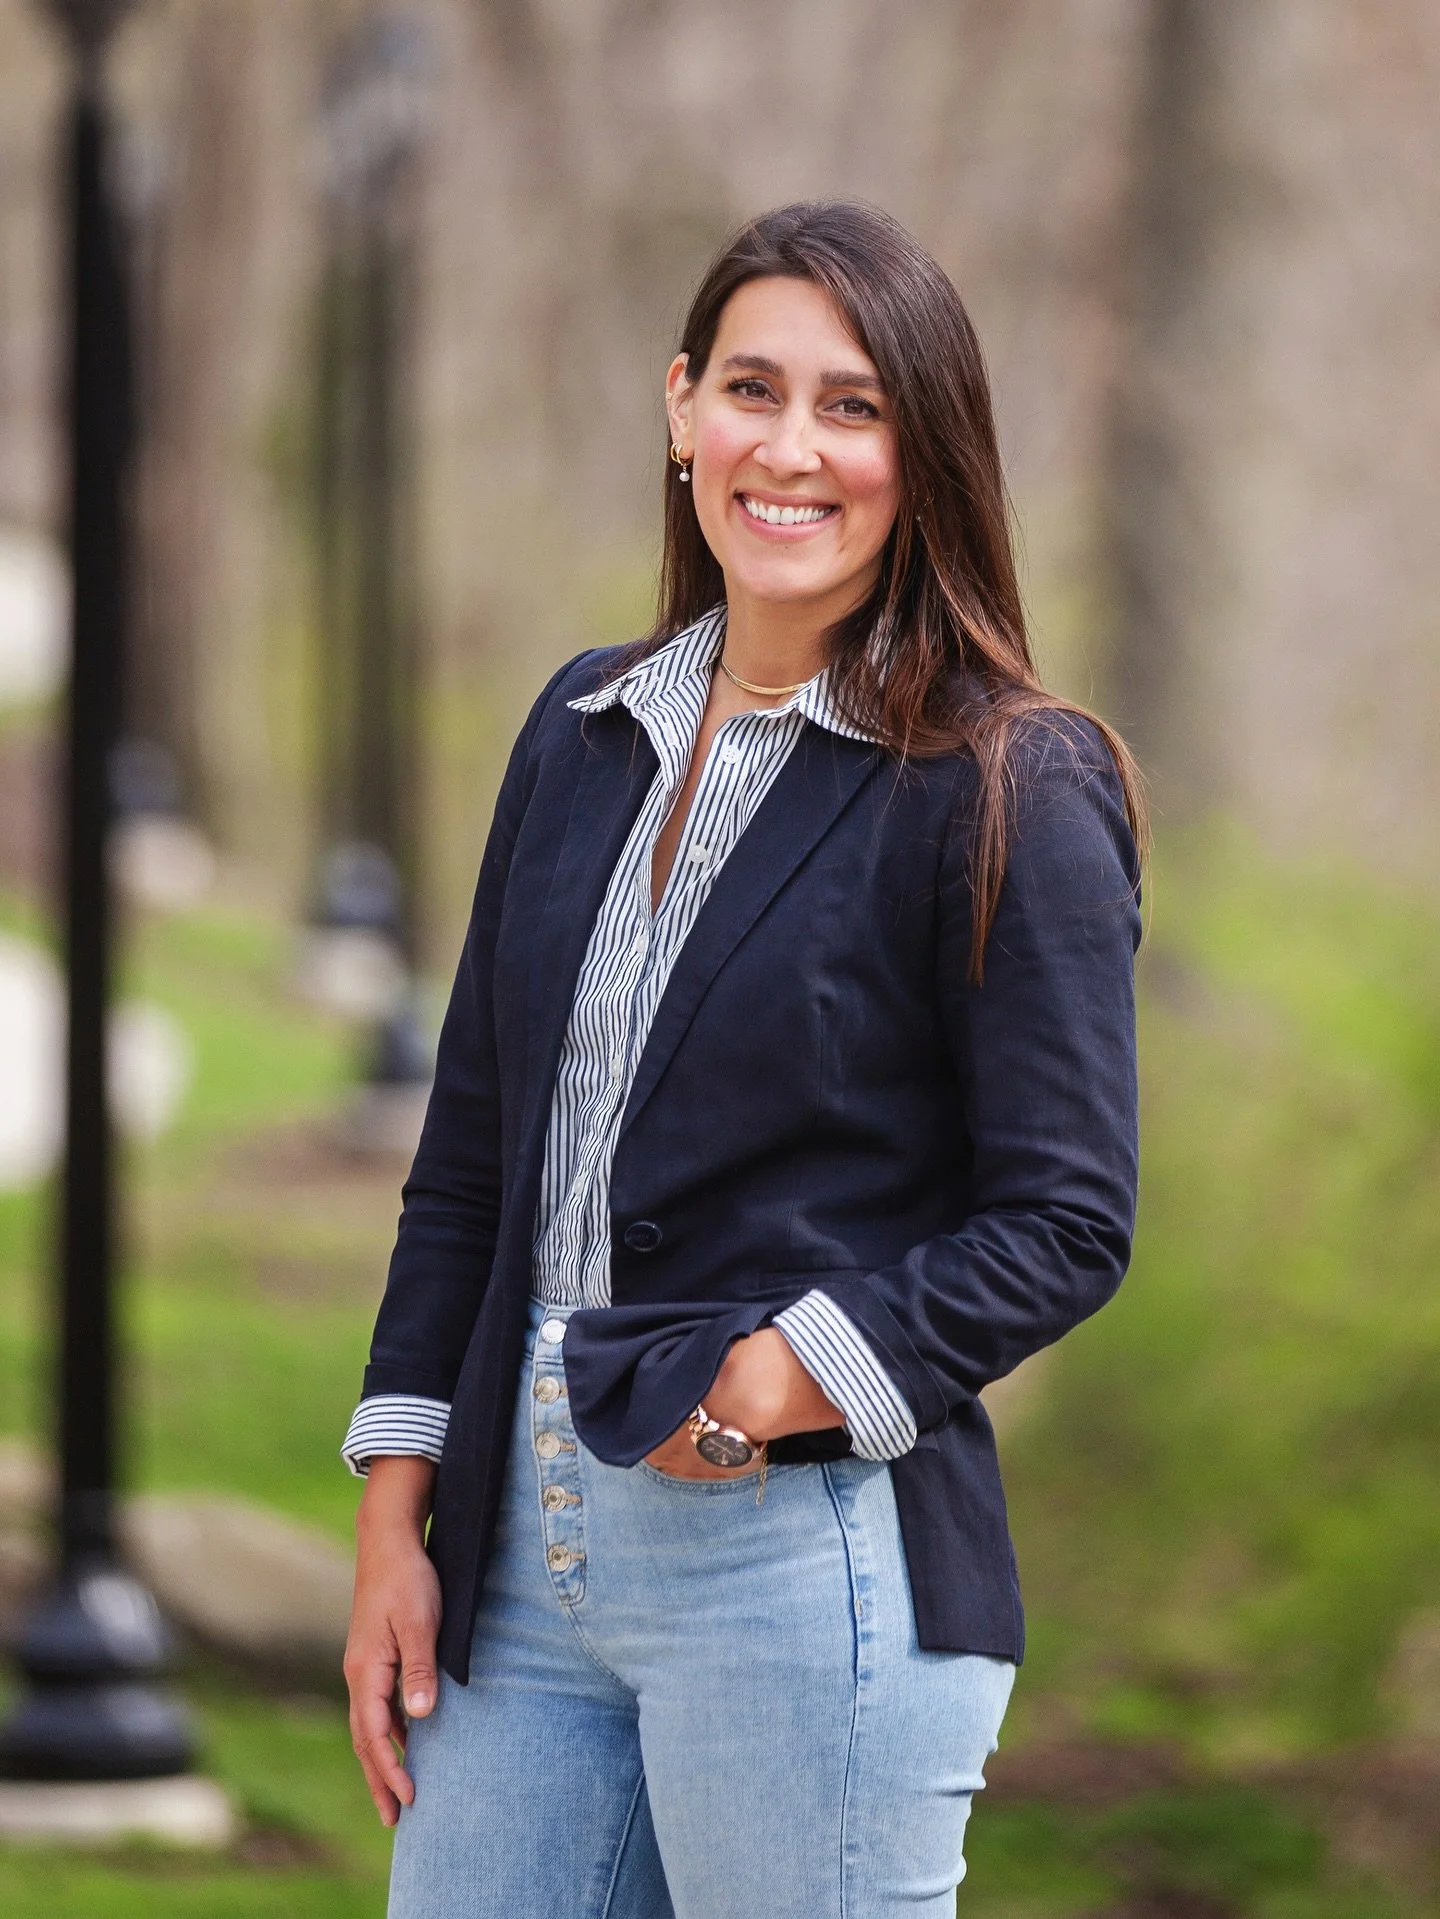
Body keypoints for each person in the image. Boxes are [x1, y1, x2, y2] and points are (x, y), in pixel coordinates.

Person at [341, 199, 1145, 1919]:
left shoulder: (1009, 784)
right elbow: (472, 1165)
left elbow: (1067, 1218)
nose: (791, 449)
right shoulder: (581, 732)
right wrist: (396, 1510)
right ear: (680, 406)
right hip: (514, 1566)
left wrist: (774, 1378)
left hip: (802, 1553)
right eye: (753, 389)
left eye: (854, 407)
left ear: (925, 455)